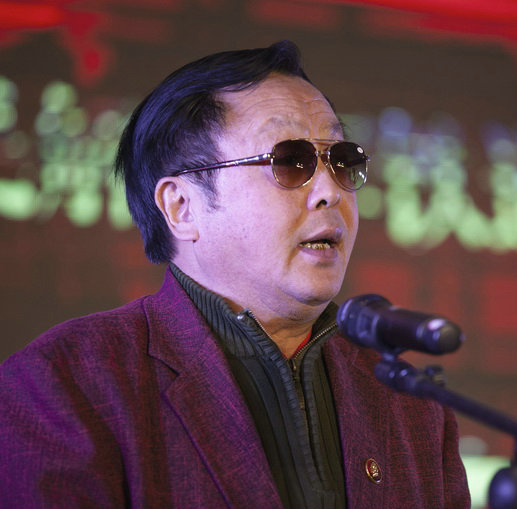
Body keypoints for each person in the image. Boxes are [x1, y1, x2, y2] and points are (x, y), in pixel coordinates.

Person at [0, 41, 469, 508]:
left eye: (342, 161)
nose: (330, 191)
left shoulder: (409, 403)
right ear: (182, 207)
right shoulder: (66, 385)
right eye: (290, 161)